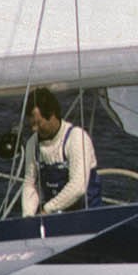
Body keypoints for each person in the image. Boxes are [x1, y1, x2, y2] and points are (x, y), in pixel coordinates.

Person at [20, 87, 102, 216]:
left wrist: (48, 209)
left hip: (87, 216)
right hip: (54, 217)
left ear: (52, 116)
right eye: (31, 124)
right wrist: (28, 216)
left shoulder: (76, 138)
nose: (34, 129)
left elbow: (78, 186)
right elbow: (30, 183)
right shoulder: (32, 144)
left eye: (38, 123)